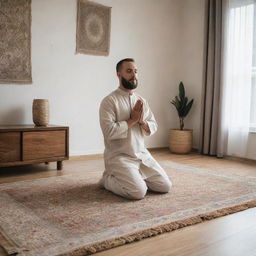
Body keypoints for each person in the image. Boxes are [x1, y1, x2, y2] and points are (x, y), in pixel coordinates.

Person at [99, 58, 172, 200]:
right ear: (118, 74)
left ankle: (134, 177)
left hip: (141, 154)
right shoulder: (109, 101)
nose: (134, 75)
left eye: (136, 71)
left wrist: (142, 121)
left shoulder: (141, 100)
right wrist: (132, 120)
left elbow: (153, 125)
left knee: (165, 186)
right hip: (120, 157)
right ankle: (108, 179)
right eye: (129, 71)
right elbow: (109, 132)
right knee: (138, 193)